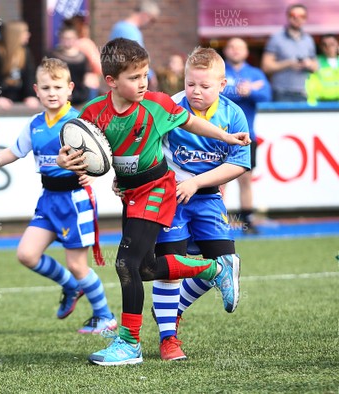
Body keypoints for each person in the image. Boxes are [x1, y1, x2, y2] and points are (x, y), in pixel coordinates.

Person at [56, 38, 250, 366]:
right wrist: (66, 160)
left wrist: (226, 137)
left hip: (158, 190)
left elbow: (190, 122)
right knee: (145, 268)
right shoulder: (93, 113)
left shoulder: (157, 104)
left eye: (145, 75)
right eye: (134, 77)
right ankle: (213, 268)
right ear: (111, 81)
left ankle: (130, 344)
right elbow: (75, 149)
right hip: (132, 195)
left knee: (125, 264)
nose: (143, 82)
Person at [0, 58, 117, 335]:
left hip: (75, 200)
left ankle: (105, 317)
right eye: (45, 87)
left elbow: (104, 156)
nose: (52, 92)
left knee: (78, 265)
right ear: (36, 91)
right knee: (27, 254)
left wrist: (93, 173)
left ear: (69, 88)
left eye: (57, 86)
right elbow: (11, 153)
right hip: (48, 198)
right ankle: (69, 285)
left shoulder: (79, 122)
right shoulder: (35, 124)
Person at [149, 46, 251, 361]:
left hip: (206, 198)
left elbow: (240, 163)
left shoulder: (233, 113)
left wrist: (197, 182)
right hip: (171, 198)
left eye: (205, 86)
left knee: (221, 266)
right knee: (169, 269)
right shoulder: (170, 107)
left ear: (222, 85)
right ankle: (169, 340)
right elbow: (147, 149)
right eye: (191, 83)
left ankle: (174, 309)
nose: (196, 91)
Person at [223, 37, 272, 233]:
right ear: (226, 51)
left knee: (245, 180)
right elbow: (212, 94)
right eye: (231, 46)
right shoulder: (218, 71)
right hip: (221, 136)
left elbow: (267, 96)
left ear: (246, 52)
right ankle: (218, 222)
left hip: (247, 137)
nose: (235, 51)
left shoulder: (255, 73)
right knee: (219, 182)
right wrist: (240, 91)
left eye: (239, 47)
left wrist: (250, 92)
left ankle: (247, 222)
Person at [261, 3, 317, 102]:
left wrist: (308, 64)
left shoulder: (308, 40)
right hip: (281, 92)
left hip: (304, 92)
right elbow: (266, 66)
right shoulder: (276, 38)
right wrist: (288, 63)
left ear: (306, 18)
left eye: (302, 16)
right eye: (294, 15)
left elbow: (315, 67)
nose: (297, 18)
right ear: (288, 16)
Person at [0, 20, 40, 109]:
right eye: (25, 32)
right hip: (1, 97)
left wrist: (31, 96)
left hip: (19, 96)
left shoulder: (25, 52)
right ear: (15, 35)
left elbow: (30, 77)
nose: (28, 35)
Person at [109, 0, 160, 90]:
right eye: (152, 20)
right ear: (145, 15)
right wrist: (150, 75)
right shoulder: (130, 31)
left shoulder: (119, 27)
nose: (151, 24)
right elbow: (137, 58)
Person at [306, 34, 339, 105]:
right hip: (320, 105)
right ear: (321, 47)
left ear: (338, 45)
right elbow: (309, 87)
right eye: (325, 45)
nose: (328, 47)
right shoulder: (315, 63)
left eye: (332, 44)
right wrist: (313, 106)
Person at [49, 22, 90, 106]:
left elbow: (86, 77)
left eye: (71, 38)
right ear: (60, 39)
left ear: (76, 39)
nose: (68, 41)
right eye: (65, 38)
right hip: (58, 96)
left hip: (79, 96)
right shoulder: (53, 56)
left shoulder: (83, 57)